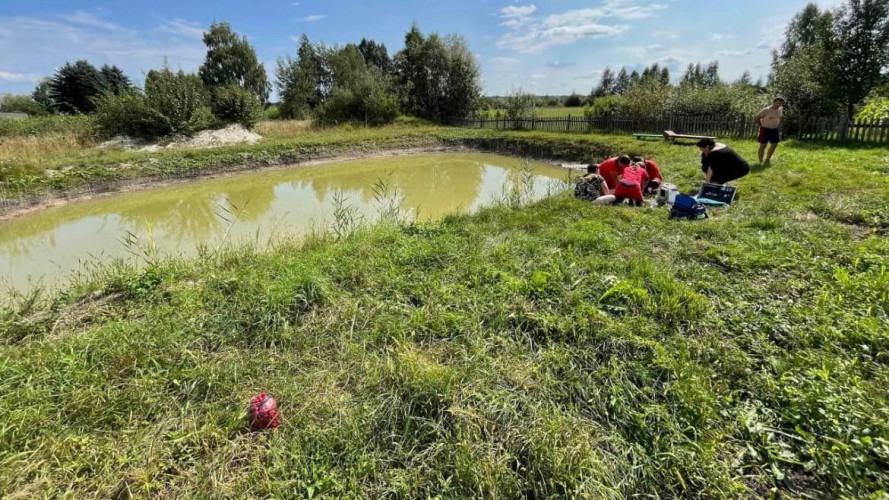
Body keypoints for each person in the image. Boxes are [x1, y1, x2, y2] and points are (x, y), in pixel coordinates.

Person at [755, 97, 786, 164]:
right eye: (777, 103)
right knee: (763, 146)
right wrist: (760, 125)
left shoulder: (780, 109)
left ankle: (768, 159)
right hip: (765, 129)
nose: (778, 105)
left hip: (774, 129)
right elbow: (757, 117)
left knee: (775, 144)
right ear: (774, 102)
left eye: (780, 103)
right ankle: (760, 162)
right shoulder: (767, 110)